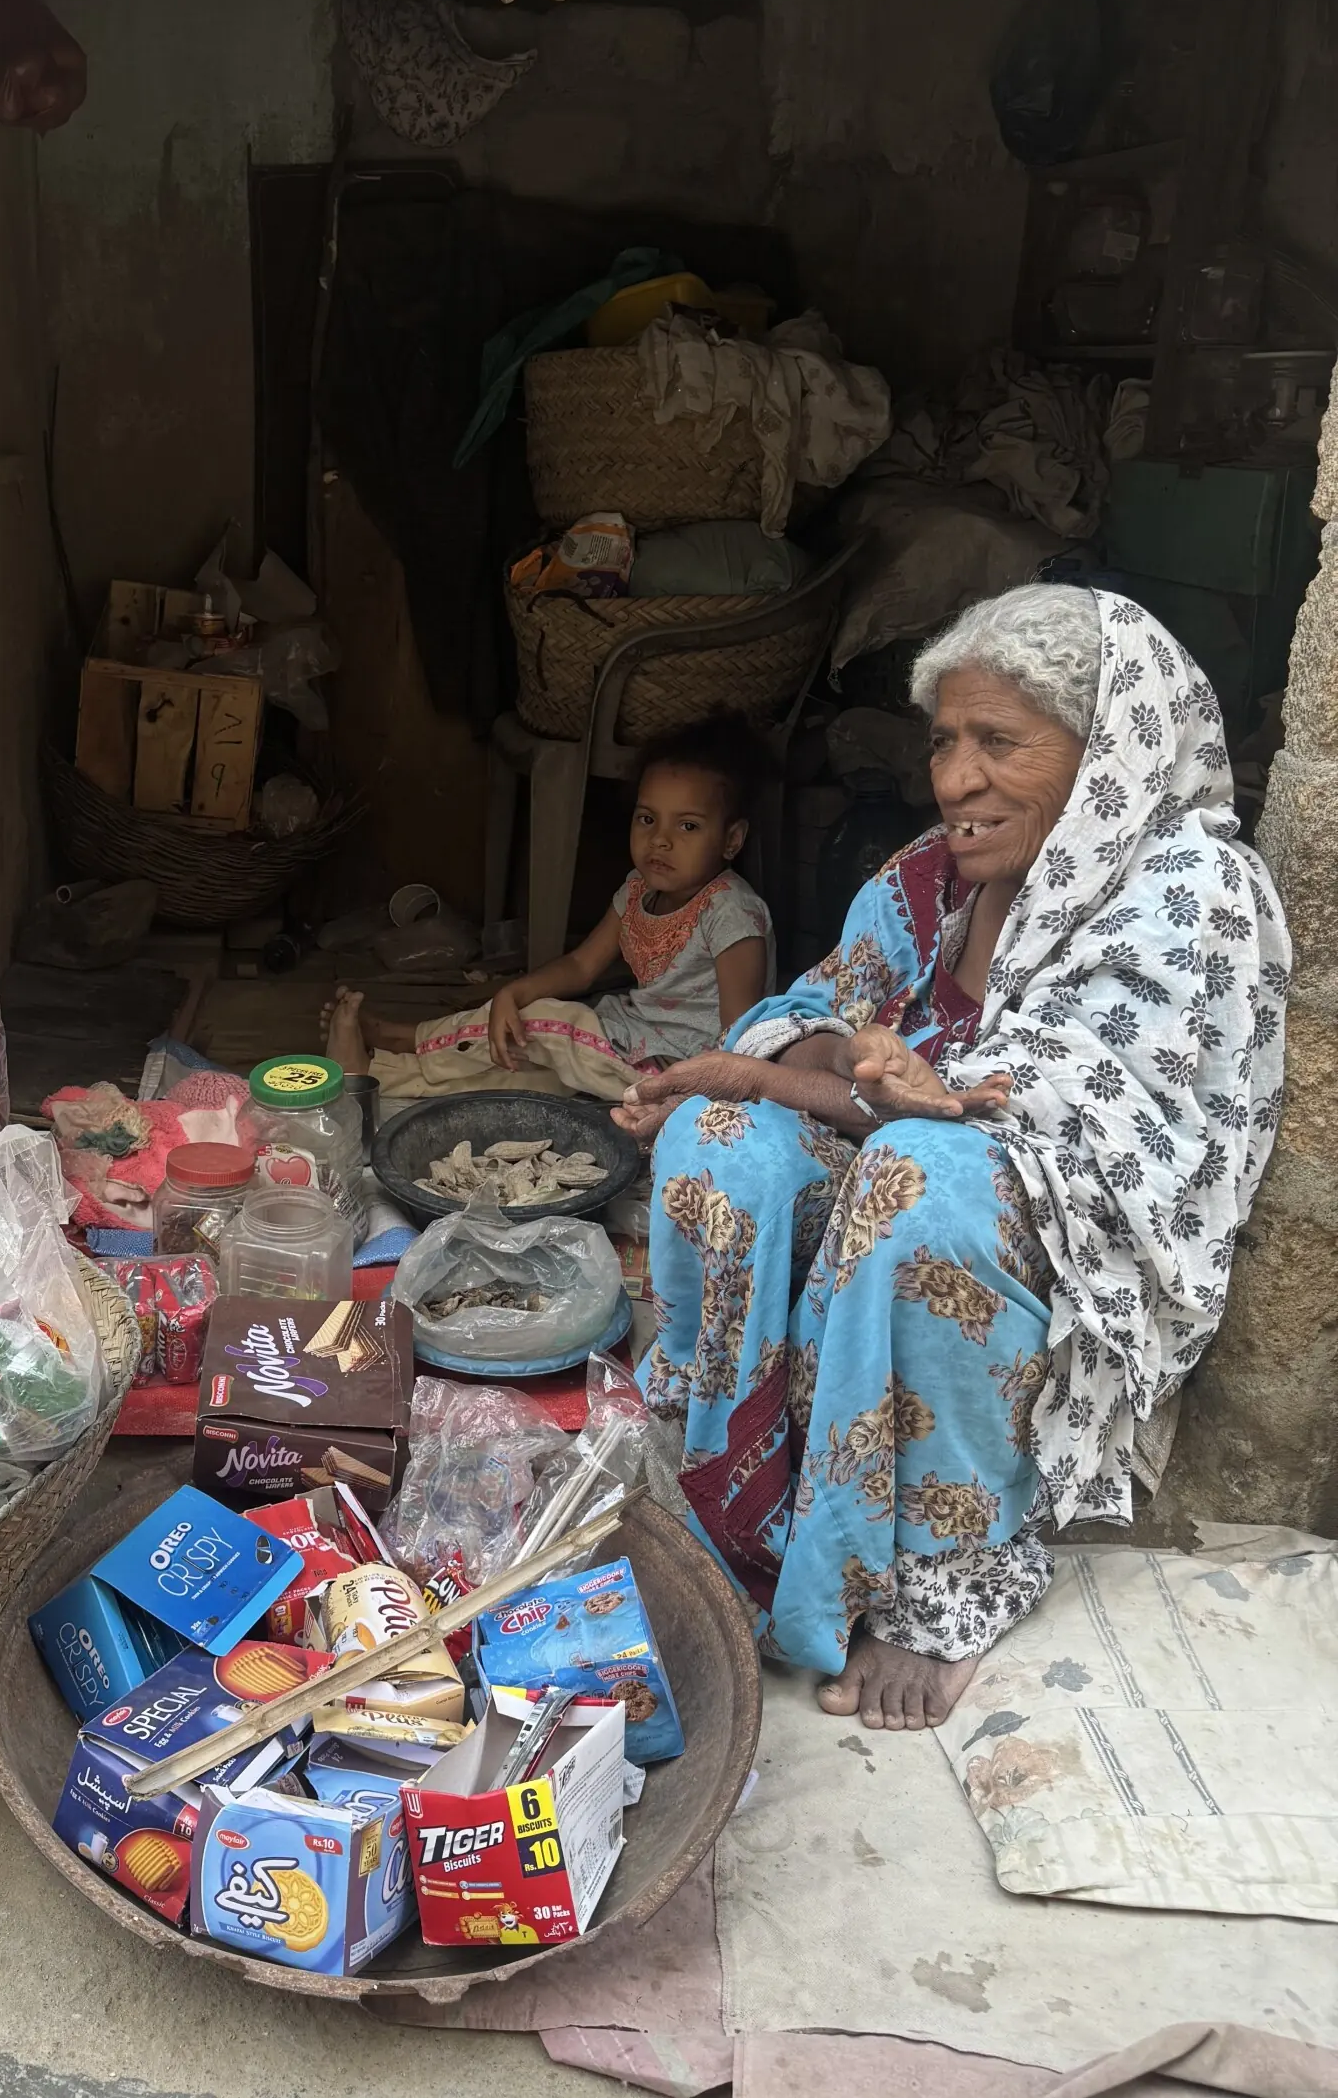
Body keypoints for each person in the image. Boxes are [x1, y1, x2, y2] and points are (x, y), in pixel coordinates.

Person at [612, 585, 1289, 1731]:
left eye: (997, 743)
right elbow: (813, 1005)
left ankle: (942, 1579)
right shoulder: (933, 875)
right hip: (899, 1170)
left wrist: (840, 1087)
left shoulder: (1188, 894)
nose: (955, 780)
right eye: (943, 741)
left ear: (1107, 751)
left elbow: (1080, 1139)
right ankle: (739, 1481)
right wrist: (825, 1063)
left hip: (1054, 1249)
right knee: (717, 1139)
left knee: (919, 1178)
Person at [328, 716, 776, 1102]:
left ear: (732, 840)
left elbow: (742, 1035)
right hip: (624, 1035)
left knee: (543, 1023)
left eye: (688, 825)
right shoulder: (638, 889)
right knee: (517, 1070)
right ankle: (374, 1075)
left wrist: (694, 1104)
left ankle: (403, 1037)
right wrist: (511, 993)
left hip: (674, 1072)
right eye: (647, 818)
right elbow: (582, 965)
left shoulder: (731, 912)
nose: (661, 839)